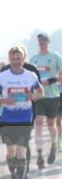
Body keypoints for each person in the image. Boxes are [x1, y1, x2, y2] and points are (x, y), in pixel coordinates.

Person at [0, 47, 43, 179]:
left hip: (25, 118)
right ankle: (14, 175)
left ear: (23, 59)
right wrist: (5, 100)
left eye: (18, 59)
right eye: (13, 59)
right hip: (7, 119)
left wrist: (33, 96)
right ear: (9, 60)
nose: (16, 62)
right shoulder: (3, 77)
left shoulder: (30, 76)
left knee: (21, 152)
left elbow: (41, 92)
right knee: (10, 153)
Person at [30, 33, 62, 168]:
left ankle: (54, 146)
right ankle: (40, 154)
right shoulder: (34, 59)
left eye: (44, 40)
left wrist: (51, 80)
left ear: (48, 42)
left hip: (53, 95)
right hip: (39, 97)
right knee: (39, 123)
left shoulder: (55, 56)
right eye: (39, 40)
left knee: (51, 124)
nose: (41, 42)